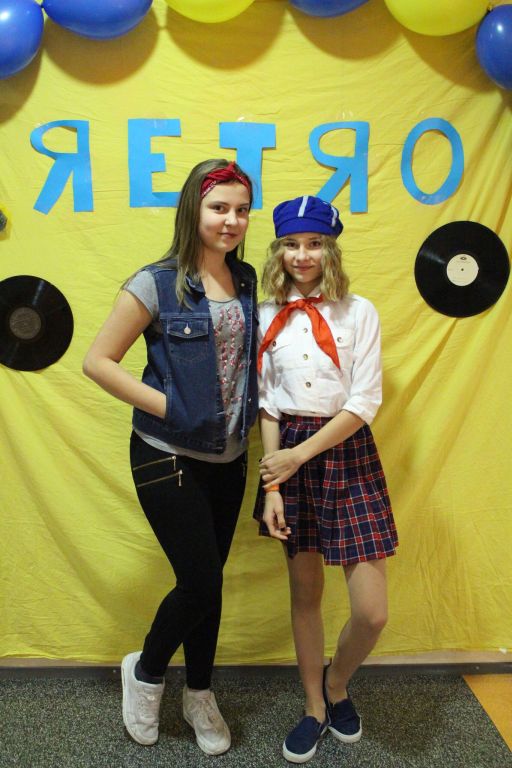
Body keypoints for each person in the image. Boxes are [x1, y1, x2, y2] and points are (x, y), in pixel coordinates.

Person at [83, 159, 258, 755]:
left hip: (230, 456)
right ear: (193, 210)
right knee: (200, 581)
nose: (231, 220)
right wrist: (174, 407)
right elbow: (98, 362)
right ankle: (148, 673)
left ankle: (200, 693)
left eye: (241, 210)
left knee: (209, 583)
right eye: (218, 208)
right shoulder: (155, 283)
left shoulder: (247, 278)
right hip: (166, 453)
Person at [254, 195, 398, 764]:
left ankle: (338, 683)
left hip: (345, 450)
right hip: (287, 454)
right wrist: (273, 484)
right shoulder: (265, 314)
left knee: (372, 610)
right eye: (291, 244)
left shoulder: (359, 312)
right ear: (278, 250)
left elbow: (364, 401)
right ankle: (314, 705)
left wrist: (300, 456)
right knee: (305, 592)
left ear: (330, 248)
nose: (302, 255)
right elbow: (268, 404)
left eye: (314, 243)